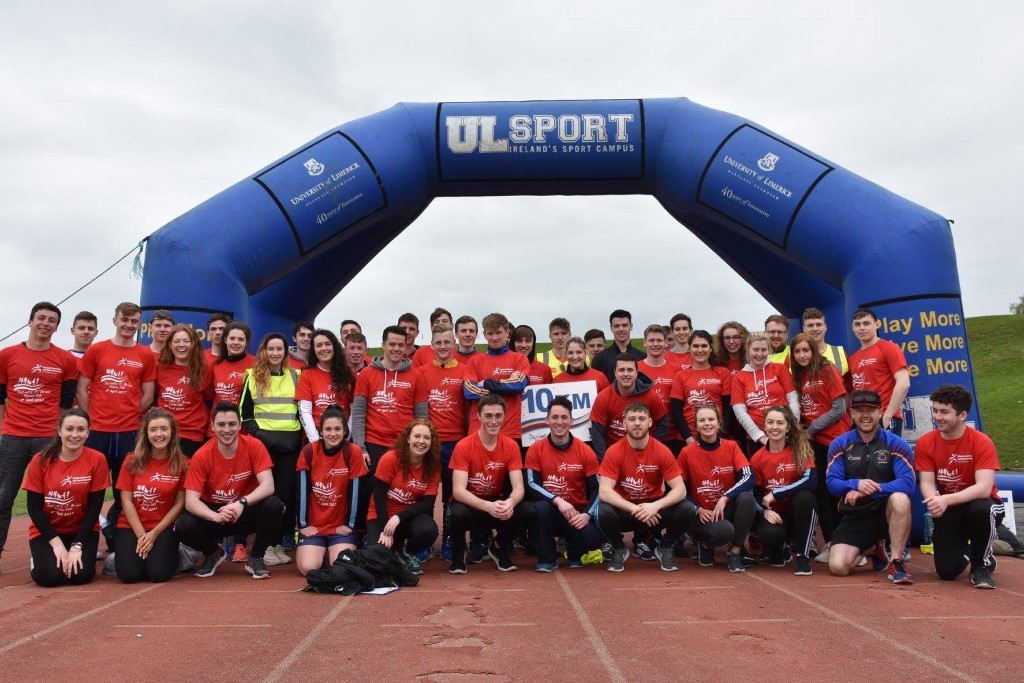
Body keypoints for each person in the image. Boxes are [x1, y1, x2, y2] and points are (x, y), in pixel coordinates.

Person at [0, 301, 79, 573]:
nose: (46, 323)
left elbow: (66, 402)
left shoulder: (65, 360)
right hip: (14, 437)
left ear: (57, 327)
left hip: (47, 438)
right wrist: (5, 426)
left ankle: (44, 551)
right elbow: (0, 396)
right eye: (41, 318)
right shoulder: (7, 355)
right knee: (3, 497)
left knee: (50, 500)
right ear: (30, 321)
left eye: (51, 320)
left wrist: (56, 431)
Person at [77, 301, 157, 546]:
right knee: (89, 488)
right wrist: (91, 419)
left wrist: (130, 414)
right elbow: (82, 389)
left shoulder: (145, 354)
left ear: (139, 325)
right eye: (124, 320)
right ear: (115, 321)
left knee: (126, 490)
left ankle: (116, 540)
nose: (128, 325)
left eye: (134, 321)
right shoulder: (97, 350)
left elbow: (148, 395)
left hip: (129, 432)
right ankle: (85, 542)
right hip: (98, 431)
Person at [175, 402, 284, 580]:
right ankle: (213, 553)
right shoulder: (202, 455)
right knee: (183, 525)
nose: (227, 430)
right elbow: (191, 501)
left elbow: (268, 485)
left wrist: (242, 503)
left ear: (240, 425)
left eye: (232, 424)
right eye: (221, 424)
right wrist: (215, 516)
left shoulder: (254, 445)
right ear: (213, 427)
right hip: (215, 513)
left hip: (243, 510)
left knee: (274, 505)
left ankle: (256, 557)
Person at [915, 384, 1003, 589]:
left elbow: (984, 488)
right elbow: (927, 482)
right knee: (946, 571)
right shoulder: (925, 442)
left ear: (962, 415)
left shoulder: (981, 442)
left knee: (981, 508)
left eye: (944, 412)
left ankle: (981, 565)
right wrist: (934, 501)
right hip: (951, 508)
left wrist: (946, 499)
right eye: (935, 410)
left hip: (982, 505)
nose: (937, 417)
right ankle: (974, 551)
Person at [826, 390, 915, 584]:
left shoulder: (897, 444)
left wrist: (870, 490)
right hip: (856, 513)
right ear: (852, 413)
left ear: (880, 412)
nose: (865, 415)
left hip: (886, 511)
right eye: (860, 410)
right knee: (838, 567)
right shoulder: (840, 444)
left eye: (871, 410)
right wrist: (855, 483)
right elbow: (832, 483)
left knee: (901, 499)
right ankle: (874, 547)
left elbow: (908, 483)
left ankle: (896, 562)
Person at [596, 402, 697, 572]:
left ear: (650, 422)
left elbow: (681, 489)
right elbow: (604, 491)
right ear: (624, 423)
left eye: (642, 419)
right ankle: (619, 548)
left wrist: (656, 506)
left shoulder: (662, 451)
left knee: (687, 509)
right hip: (626, 510)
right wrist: (634, 508)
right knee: (603, 511)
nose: (637, 423)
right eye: (632, 419)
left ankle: (665, 546)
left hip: (654, 512)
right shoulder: (614, 451)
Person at [352, 326, 429, 531]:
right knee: (371, 492)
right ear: (383, 345)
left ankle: (402, 533)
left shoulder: (416, 376)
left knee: (403, 492)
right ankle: (367, 533)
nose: (396, 348)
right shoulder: (366, 374)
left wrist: (418, 446)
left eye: (400, 345)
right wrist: (360, 446)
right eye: (392, 344)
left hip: (405, 446)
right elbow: (358, 413)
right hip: (374, 444)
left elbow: (422, 417)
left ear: (406, 346)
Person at [448, 395, 535, 574]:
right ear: (478, 416)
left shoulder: (511, 446)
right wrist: (487, 506)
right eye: (488, 416)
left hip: (496, 504)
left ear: (504, 417)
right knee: (456, 512)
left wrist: (510, 503)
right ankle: (459, 552)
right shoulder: (464, 446)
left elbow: (519, 487)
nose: (493, 421)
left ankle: (497, 546)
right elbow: (458, 491)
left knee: (527, 510)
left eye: (498, 416)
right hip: (472, 506)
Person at [23, 408, 109, 587]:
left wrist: (77, 545)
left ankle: (77, 553)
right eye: (69, 429)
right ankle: (38, 560)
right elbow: (34, 508)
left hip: (82, 530)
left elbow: (95, 508)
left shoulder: (97, 459)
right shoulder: (40, 459)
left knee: (80, 576)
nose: (74, 435)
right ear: (59, 431)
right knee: (49, 577)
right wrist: (56, 543)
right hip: (48, 531)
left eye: (81, 429)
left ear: (88, 433)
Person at [239, 333, 301, 565]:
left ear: (286, 352)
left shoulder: (296, 375)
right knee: (267, 495)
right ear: (263, 351)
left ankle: (276, 544)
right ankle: (264, 547)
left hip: (289, 444)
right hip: (263, 444)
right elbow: (244, 413)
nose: (275, 353)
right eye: (271, 349)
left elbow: (302, 410)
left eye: (279, 349)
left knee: (286, 495)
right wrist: (260, 435)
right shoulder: (252, 375)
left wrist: (297, 438)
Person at [526, 396, 603, 572]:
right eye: (554, 417)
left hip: (576, 516)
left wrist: (587, 515)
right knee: (538, 507)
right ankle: (547, 559)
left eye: (564, 417)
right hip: (550, 514)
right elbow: (531, 484)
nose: (559, 422)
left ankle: (574, 554)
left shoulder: (585, 451)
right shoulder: (535, 449)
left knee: (592, 538)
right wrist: (558, 500)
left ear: (571, 421)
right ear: (547, 420)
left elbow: (597, 488)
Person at [789, 332, 848, 562]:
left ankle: (844, 542)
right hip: (813, 443)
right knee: (820, 492)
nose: (802, 355)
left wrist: (811, 429)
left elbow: (839, 409)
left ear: (813, 351)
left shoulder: (827, 370)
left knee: (835, 492)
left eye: (806, 350)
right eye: (797, 351)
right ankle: (831, 542)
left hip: (834, 441)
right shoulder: (799, 376)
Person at [678, 404, 755, 572]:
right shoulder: (686, 452)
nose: (707, 423)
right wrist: (697, 509)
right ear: (696, 425)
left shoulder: (732, 447)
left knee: (747, 499)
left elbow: (749, 477)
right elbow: (678, 490)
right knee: (725, 531)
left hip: (725, 510)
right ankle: (705, 545)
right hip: (703, 516)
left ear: (719, 423)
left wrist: (725, 497)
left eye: (711, 419)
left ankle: (735, 551)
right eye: (702, 420)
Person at [114, 408, 186, 583]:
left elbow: (179, 504)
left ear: (172, 433)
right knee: (129, 575)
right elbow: (126, 500)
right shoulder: (131, 461)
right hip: (131, 526)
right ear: (146, 434)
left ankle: (180, 553)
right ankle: (121, 556)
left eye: (164, 429)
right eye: (153, 430)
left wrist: (153, 534)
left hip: (162, 528)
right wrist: (141, 536)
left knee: (158, 575)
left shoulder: (183, 464)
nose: (158, 434)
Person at [294, 406, 367, 576]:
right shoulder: (309, 451)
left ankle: (331, 553)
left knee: (341, 567)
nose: (333, 434)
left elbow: (357, 492)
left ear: (344, 431)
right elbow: (301, 490)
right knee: (308, 569)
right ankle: (321, 553)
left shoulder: (353, 452)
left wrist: (349, 525)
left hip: (340, 528)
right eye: (328, 429)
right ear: (321, 431)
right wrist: (303, 525)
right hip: (315, 527)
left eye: (337, 429)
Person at [417, 324, 469, 561]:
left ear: (454, 344)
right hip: (429, 443)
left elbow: (470, 409)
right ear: (432, 346)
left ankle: (450, 539)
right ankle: (424, 541)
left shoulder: (465, 371)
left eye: (447, 342)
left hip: (456, 443)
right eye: (438, 342)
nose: (443, 346)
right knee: (425, 494)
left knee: (452, 495)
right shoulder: (422, 372)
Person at [750, 406, 819, 575]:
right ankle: (779, 547)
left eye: (780, 423)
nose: (775, 427)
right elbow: (755, 494)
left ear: (788, 427)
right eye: (770, 422)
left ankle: (802, 556)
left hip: (795, 513)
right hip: (773, 514)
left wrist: (776, 493)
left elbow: (811, 481)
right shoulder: (757, 457)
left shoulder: (800, 450)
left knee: (806, 497)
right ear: (764, 426)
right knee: (770, 535)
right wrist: (764, 511)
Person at [367, 419, 441, 575]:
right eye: (417, 436)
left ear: (432, 442)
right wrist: (385, 529)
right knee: (378, 559)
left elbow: (427, 504)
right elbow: (378, 496)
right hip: (381, 515)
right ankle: (379, 543)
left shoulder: (433, 466)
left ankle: (406, 553)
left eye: (427, 438)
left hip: (407, 517)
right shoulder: (391, 458)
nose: (421, 441)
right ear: (408, 438)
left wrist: (399, 517)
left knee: (429, 530)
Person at [462, 313, 530, 443]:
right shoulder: (474, 361)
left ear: (507, 332)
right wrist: (506, 386)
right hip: (478, 431)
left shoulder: (520, 359)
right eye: (490, 333)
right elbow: (469, 392)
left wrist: (486, 383)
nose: (494, 338)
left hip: (509, 431)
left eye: (498, 332)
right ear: (484, 334)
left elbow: (518, 385)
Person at [731, 332, 799, 457]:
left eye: (764, 350)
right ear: (747, 349)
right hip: (756, 440)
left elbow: (793, 400)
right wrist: (760, 437)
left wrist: (791, 429)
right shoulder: (739, 378)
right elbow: (740, 412)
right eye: (755, 349)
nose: (760, 354)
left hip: (786, 435)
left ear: (769, 350)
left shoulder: (779, 369)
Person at [590, 355, 668, 462]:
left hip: (644, 454)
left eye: (630, 370)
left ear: (636, 373)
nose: (626, 374)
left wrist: (652, 450)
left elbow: (663, 424)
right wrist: (606, 460)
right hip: (614, 456)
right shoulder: (604, 397)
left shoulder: (650, 396)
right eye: (621, 370)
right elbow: (597, 433)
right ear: (615, 373)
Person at [849, 308, 911, 435]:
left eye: (866, 323)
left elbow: (904, 383)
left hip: (884, 418)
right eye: (857, 324)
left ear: (876, 324)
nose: (861, 328)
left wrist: (887, 416)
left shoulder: (889, 347)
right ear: (853, 328)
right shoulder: (852, 358)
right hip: (861, 422)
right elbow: (851, 393)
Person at [155, 324, 214, 456]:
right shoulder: (160, 367)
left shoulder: (204, 370)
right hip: (164, 432)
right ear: (170, 345)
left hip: (192, 434)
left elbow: (209, 399)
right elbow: (155, 395)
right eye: (176, 341)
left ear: (193, 344)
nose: (181, 345)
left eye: (186, 341)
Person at [670, 330, 732, 447]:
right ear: (689, 349)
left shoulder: (723, 373)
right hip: (689, 439)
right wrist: (688, 439)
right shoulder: (680, 376)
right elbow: (676, 411)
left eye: (704, 346)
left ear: (710, 348)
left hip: (717, 436)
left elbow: (729, 408)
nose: (700, 350)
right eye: (695, 346)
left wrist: (721, 436)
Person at [297, 329, 355, 443]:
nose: (324, 348)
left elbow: (354, 409)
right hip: (315, 436)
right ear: (313, 349)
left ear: (334, 346)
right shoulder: (307, 374)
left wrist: (346, 435)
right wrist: (315, 441)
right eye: (319, 345)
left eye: (327, 344)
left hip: (342, 436)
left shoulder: (348, 373)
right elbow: (304, 411)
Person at [638, 325, 684, 454]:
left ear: (666, 342)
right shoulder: (636, 369)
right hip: (643, 434)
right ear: (644, 343)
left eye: (659, 340)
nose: (655, 344)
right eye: (651, 340)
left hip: (672, 435)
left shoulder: (677, 370)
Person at [589, 310, 646, 382]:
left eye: (624, 325)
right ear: (611, 328)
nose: (621, 329)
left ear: (631, 326)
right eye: (616, 326)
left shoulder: (643, 357)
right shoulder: (599, 359)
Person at [211, 321, 255, 408]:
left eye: (240, 339)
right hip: (218, 415)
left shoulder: (256, 364)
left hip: (243, 416)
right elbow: (209, 395)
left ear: (246, 342)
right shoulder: (215, 365)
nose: (236, 342)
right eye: (232, 338)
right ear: (225, 340)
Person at [801, 308, 848, 376]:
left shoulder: (840, 353)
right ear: (804, 329)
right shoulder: (794, 355)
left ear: (825, 327)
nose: (815, 329)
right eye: (810, 325)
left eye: (819, 324)